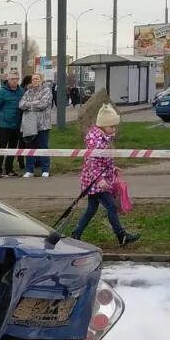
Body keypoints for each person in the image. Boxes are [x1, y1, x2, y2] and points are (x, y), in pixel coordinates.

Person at [71, 104, 139, 246]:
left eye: (115, 126)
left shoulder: (103, 137)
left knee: (91, 209)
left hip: (96, 180)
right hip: (95, 183)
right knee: (111, 207)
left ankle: (76, 234)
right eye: (112, 127)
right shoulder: (95, 141)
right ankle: (121, 236)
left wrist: (112, 167)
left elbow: (103, 160)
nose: (114, 130)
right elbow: (92, 163)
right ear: (102, 126)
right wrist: (100, 180)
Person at [19, 73, 54, 179]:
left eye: (37, 79)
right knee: (30, 147)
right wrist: (34, 103)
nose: (35, 81)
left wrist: (29, 105)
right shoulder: (28, 92)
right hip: (30, 125)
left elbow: (43, 104)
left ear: (41, 80)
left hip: (43, 124)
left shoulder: (47, 91)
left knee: (43, 146)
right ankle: (29, 170)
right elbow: (21, 105)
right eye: (33, 79)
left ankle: (45, 170)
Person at [0, 72, 25, 178]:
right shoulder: (2, 92)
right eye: (12, 79)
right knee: (2, 147)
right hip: (5, 124)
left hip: (17, 124)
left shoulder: (21, 91)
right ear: (8, 80)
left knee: (13, 147)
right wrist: (1, 119)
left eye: (16, 78)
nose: (14, 81)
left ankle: (9, 169)